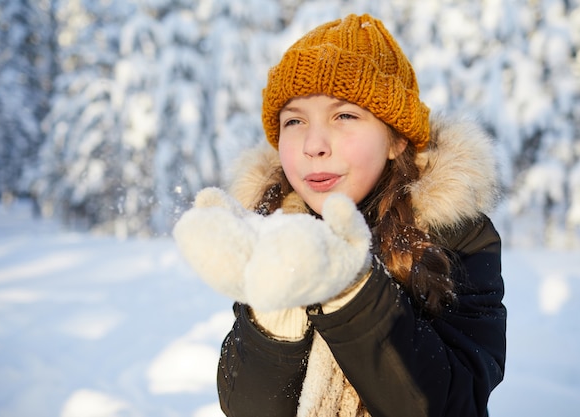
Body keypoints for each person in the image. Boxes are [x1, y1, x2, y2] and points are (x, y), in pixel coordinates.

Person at [173, 13, 506, 417]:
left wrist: (349, 288)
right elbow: (248, 407)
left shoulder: (459, 237)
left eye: (344, 115)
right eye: (294, 120)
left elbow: (455, 404)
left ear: (395, 139)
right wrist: (276, 314)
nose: (313, 144)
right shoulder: (275, 229)